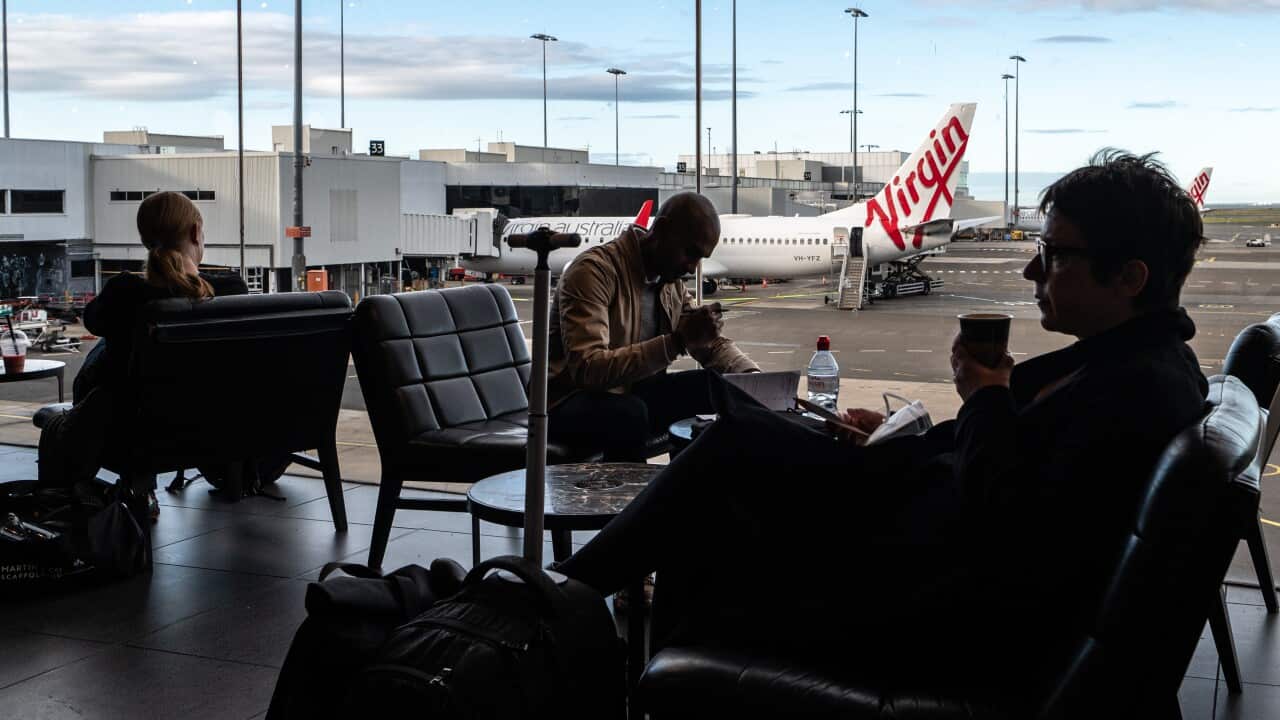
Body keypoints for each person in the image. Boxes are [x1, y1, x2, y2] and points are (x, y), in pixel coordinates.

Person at [557, 150, 1208, 707]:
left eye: (1053, 253)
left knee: (727, 457)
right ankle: (583, 622)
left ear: (1129, 277)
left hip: (926, 586)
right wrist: (901, 436)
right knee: (731, 461)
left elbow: (1005, 515)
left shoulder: (1139, 390)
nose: (1031, 271)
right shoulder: (1132, 369)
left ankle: (556, 608)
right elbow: (1022, 475)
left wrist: (982, 398)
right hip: (923, 534)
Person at [40, 192, 248, 510]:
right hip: (210, 425)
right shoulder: (232, 289)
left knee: (107, 364)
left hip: (136, 432)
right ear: (195, 232)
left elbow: (94, 321)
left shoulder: (123, 294)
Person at [548, 191, 759, 461]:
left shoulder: (670, 280)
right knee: (628, 414)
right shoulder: (593, 272)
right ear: (661, 230)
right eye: (690, 252)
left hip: (631, 392)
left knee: (713, 387)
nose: (693, 266)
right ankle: (634, 501)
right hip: (569, 401)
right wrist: (676, 342)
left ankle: (691, 487)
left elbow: (708, 343)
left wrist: (753, 380)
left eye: (700, 257)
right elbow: (588, 370)